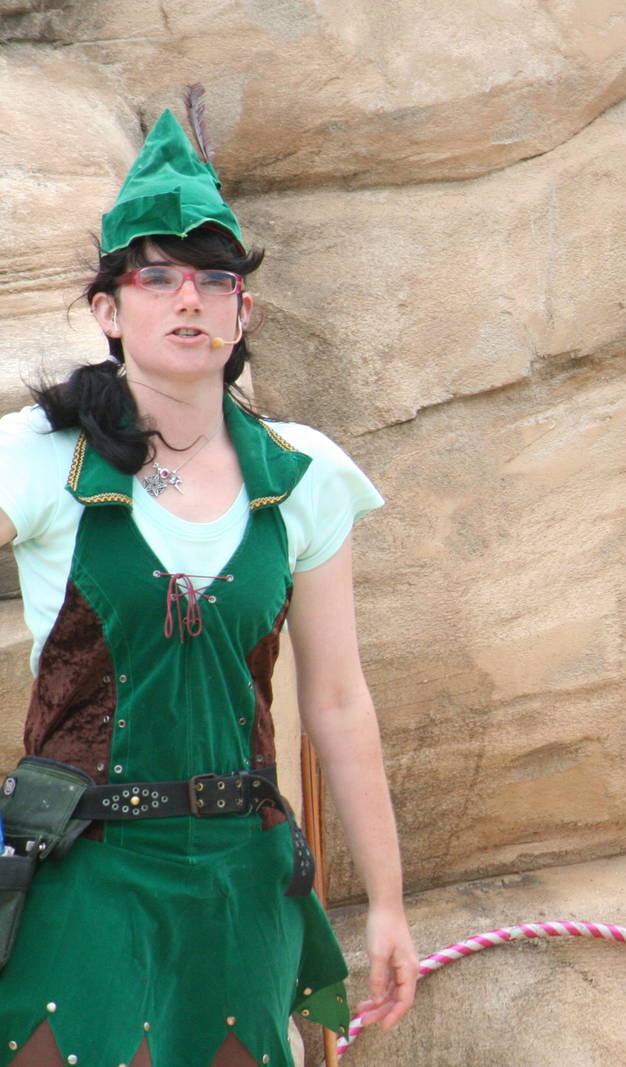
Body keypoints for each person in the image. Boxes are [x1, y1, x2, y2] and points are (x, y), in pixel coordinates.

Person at [0, 107, 417, 1065]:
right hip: (83, 877)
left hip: (242, 884)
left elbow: (338, 699)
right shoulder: (38, 456)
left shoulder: (302, 474)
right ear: (109, 312)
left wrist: (388, 902)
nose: (188, 298)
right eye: (156, 277)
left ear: (243, 313)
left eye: (214, 279)